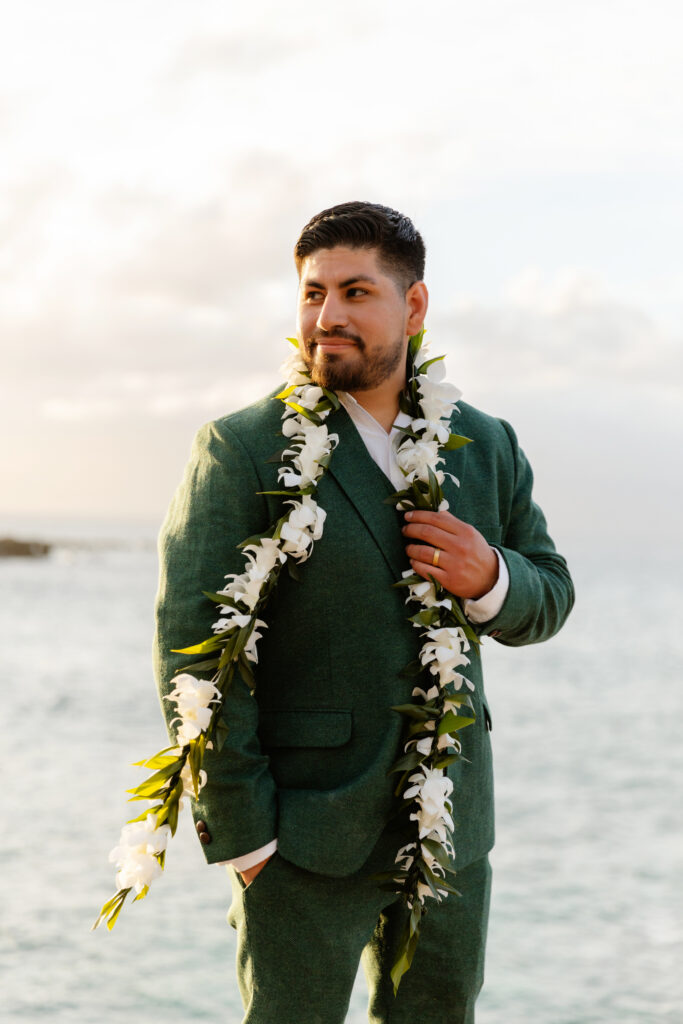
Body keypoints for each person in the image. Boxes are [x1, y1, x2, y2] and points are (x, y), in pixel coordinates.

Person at [153, 201, 574, 1024]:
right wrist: (244, 837)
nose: (327, 317)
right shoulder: (241, 449)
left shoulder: (487, 444)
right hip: (300, 836)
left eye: (355, 292)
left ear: (413, 306)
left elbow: (550, 592)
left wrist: (490, 576)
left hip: (450, 828)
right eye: (312, 293)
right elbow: (191, 655)